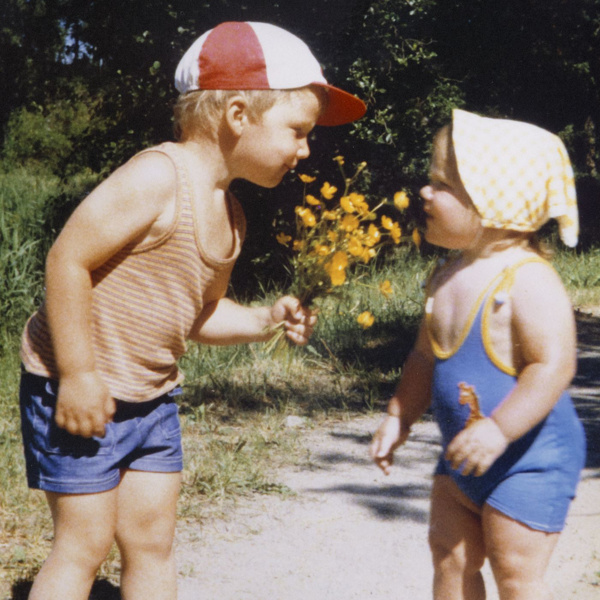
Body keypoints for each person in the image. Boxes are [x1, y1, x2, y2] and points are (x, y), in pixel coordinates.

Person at [19, 21, 366, 600]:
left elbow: (200, 313)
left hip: (151, 399)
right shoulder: (157, 177)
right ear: (238, 114)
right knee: (84, 544)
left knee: (152, 540)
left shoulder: (232, 216)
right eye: (298, 131)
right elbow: (67, 260)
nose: (305, 150)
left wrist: (264, 318)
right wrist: (78, 374)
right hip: (77, 387)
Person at [370, 109, 586, 600]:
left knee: (515, 572)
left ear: (495, 202)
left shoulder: (528, 280)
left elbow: (553, 366)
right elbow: (423, 359)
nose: (425, 192)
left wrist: (499, 429)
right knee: (449, 558)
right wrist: (399, 416)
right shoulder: (445, 277)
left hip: (529, 458)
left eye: (442, 184)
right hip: (463, 456)